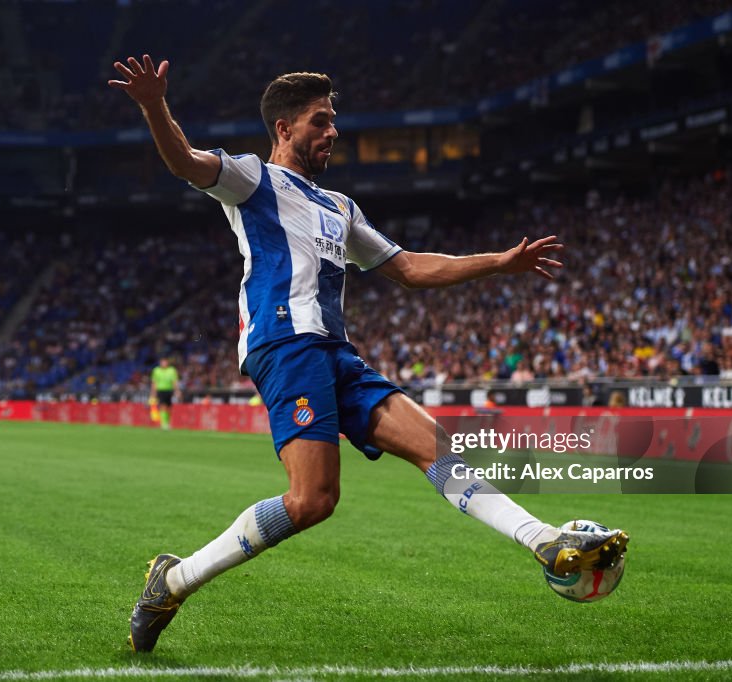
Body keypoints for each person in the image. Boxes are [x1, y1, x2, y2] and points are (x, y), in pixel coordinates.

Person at [109, 55, 629, 653]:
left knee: (435, 445)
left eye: (333, 121)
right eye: (320, 121)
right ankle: (171, 581)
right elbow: (185, 162)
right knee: (312, 501)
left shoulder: (340, 206)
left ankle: (543, 540)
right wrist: (154, 105)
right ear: (284, 128)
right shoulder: (253, 179)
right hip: (284, 343)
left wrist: (500, 262)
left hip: (335, 352)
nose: (333, 132)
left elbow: (408, 268)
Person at [149, 357, 179, 429]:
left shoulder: (172, 370)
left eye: (165, 362)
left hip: (169, 390)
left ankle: (167, 423)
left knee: (169, 407)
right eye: (162, 362)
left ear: (167, 362)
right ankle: (163, 423)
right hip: (160, 390)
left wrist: (177, 390)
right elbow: (154, 382)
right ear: (160, 363)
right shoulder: (156, 370)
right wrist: (153, 392)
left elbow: (174, 381)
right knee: (162, 406)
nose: (164, 363)